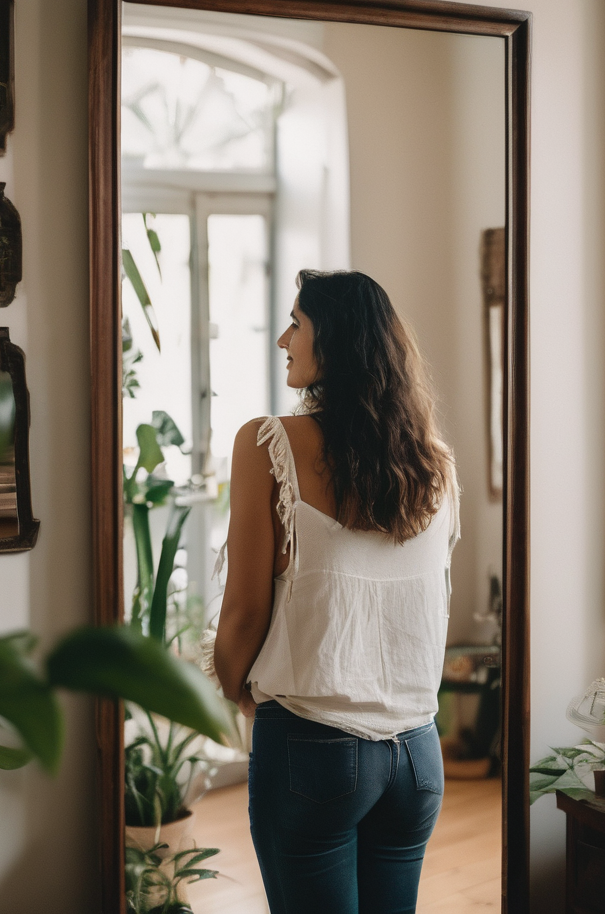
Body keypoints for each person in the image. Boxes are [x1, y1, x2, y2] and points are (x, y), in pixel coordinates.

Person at [211, 269, 460, 914]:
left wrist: (236, 690)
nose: (283, 339)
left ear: (336, 341)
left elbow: (243, 614)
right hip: (417, 755)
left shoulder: (267, 444)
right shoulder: (434, 463)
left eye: (296, 323)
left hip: (312, 748)